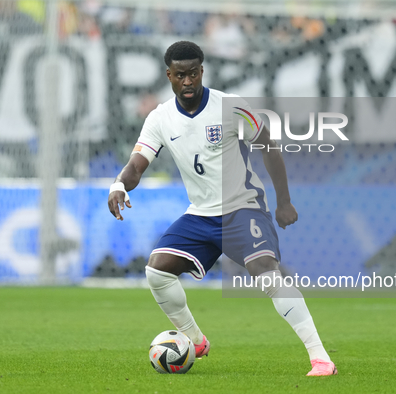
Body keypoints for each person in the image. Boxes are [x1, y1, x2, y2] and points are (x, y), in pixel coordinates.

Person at [108, 41, 337, 376]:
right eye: (180, 75)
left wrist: (283, 201)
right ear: (169, 76)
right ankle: (195, 340)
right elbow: (137, 164)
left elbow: (268, 146)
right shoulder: (160, 118)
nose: (187, 81)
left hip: (243, 208)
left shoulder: (229, 107)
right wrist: (118, 185)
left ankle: (320, 358)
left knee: (267, 273)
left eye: (193, 73)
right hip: (201, 214)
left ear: (202, 71)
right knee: (157, 270)